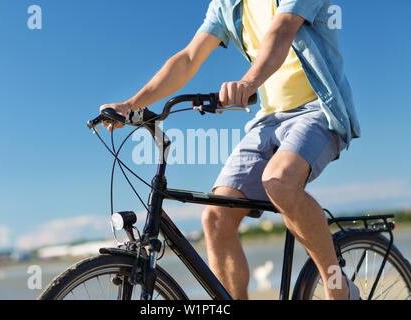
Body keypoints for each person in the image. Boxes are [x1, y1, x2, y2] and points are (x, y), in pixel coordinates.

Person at [100, 0, 361, 300]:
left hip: (318, 111)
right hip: (268, 119)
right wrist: (132, 105)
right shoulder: (226, 5)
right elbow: (188, 58)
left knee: (279, 181)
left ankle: (337, 287)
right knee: (215, 218)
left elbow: (283, 27)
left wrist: (248, 82)